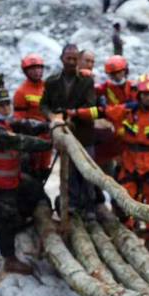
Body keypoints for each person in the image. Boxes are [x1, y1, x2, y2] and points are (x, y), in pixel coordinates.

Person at [0, 88, 52, 274]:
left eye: (7, 104)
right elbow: (19, 141)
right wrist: (48, 144)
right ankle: (9, 259)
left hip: (11, 177)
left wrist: (46, 126)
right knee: (6, 219)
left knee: (35, 189)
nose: (5, 108)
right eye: (0, 105)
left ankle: (29, 218)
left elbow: (23, 125)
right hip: (0, 184)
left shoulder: (3, 122)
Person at [107, 74, 149, 250]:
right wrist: (76, 113)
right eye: (145, 94)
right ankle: (127, 238)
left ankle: (148, 245)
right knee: (123, 200)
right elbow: (104, 112)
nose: (148, 97)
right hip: (130, 162)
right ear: (139, 95)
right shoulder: (128, 111)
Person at [40, 43, 99, 214]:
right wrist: (52, 117)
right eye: (69, 58)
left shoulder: (87, 81)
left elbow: (90, 105)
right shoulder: (51, 82)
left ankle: (90, 209)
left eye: (75, 59)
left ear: (79, 60)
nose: (72, 62)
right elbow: (44, 104)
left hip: (84, 134)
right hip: (64, 135)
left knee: (89, 172)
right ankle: (71, 206)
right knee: (69, 172)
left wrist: (69, 115)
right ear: (62, 59)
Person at [13, 53, 51, 183]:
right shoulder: (21, 92)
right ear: (26, 71)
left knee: (44, 171)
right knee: (31, 176)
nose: (37, 71)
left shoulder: (48, 88)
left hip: (48, 138)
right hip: (32, 142)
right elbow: (19, 121)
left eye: (39, 68)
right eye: (33, 69)